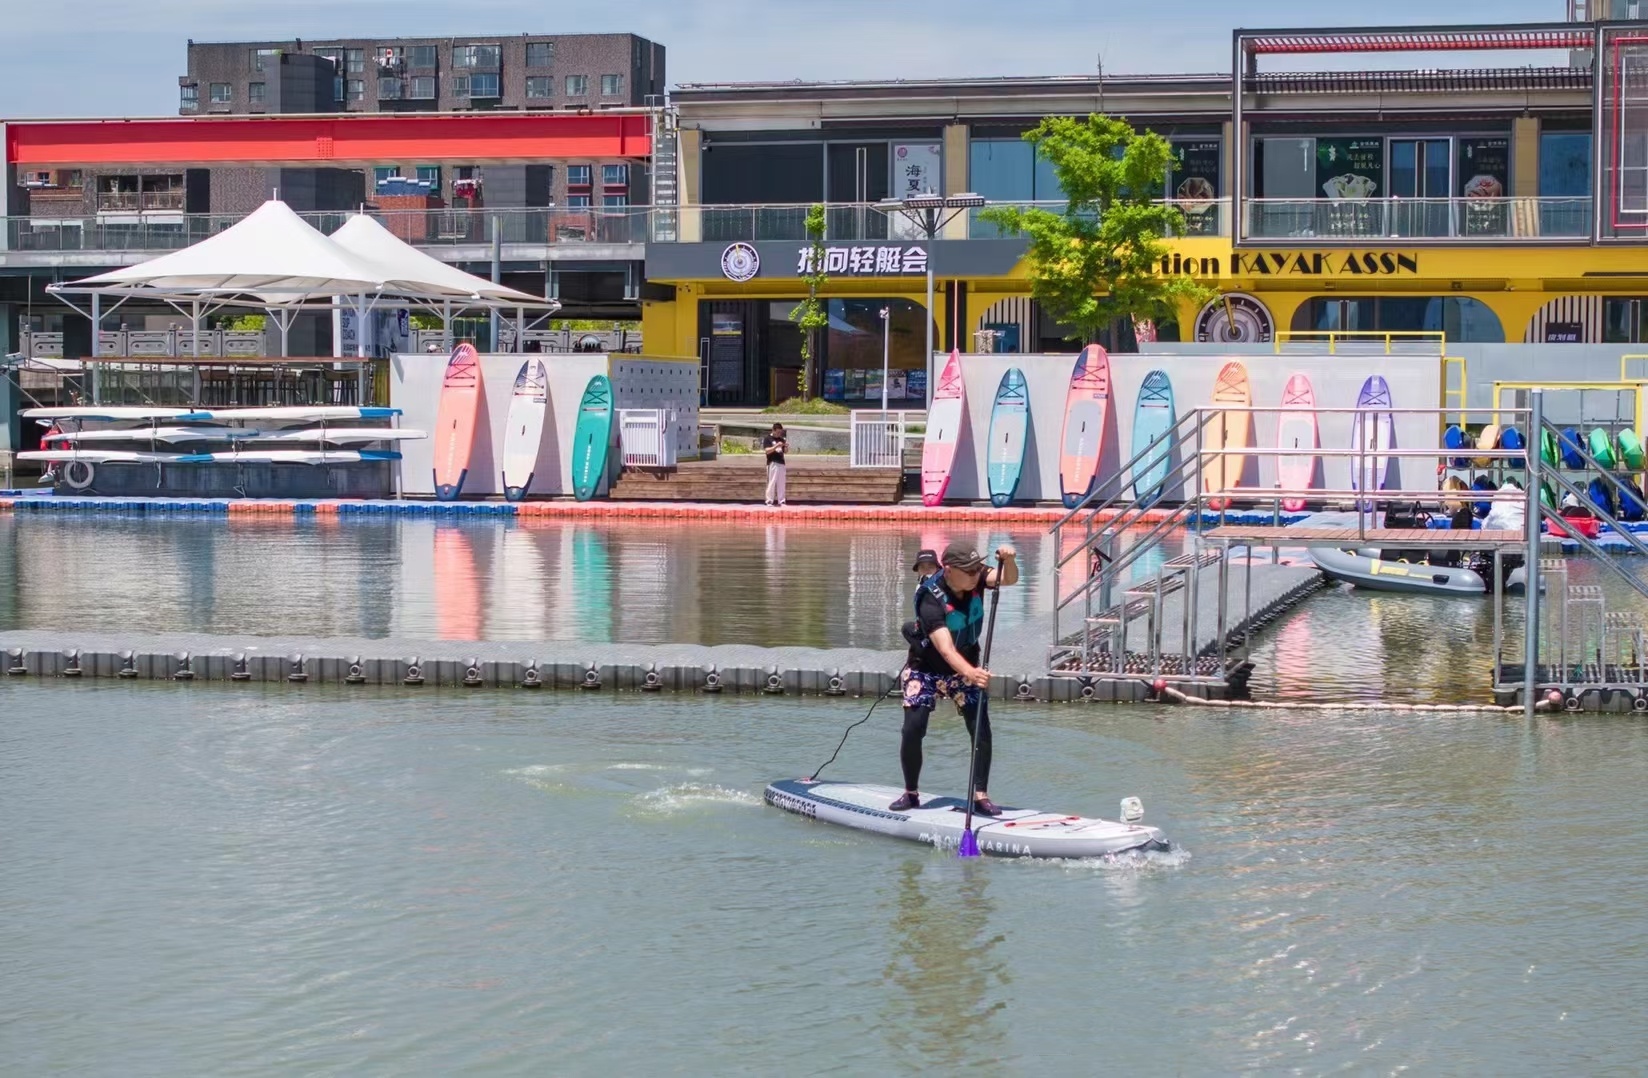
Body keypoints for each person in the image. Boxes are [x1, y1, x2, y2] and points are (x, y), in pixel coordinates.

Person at [890, 540, 1019, 816]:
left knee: (980, 729)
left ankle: (980, 796)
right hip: (926, 668)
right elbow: (946, 649)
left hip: (966, 665)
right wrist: (971, 673)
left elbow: (1007, 579)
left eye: (976, 569)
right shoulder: (929, 598)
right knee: (914, 728)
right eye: (969, 571)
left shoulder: (978, 576)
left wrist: (1009, 560)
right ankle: (911, 793)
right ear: (948, 570)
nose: (975, 575)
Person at [763, 422, 788, 506]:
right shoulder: (768, 438)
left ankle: (781, 501)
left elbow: (785, 452)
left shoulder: (781, 439)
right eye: (777, 432)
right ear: (773, 430)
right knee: (772, 482)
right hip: (772, 462)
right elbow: (767, 451)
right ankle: (769, 500)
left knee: (781, 482)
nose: (779, 434)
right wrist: (776, 446)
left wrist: (786, 446)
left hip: (781, 462)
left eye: (780, 432)